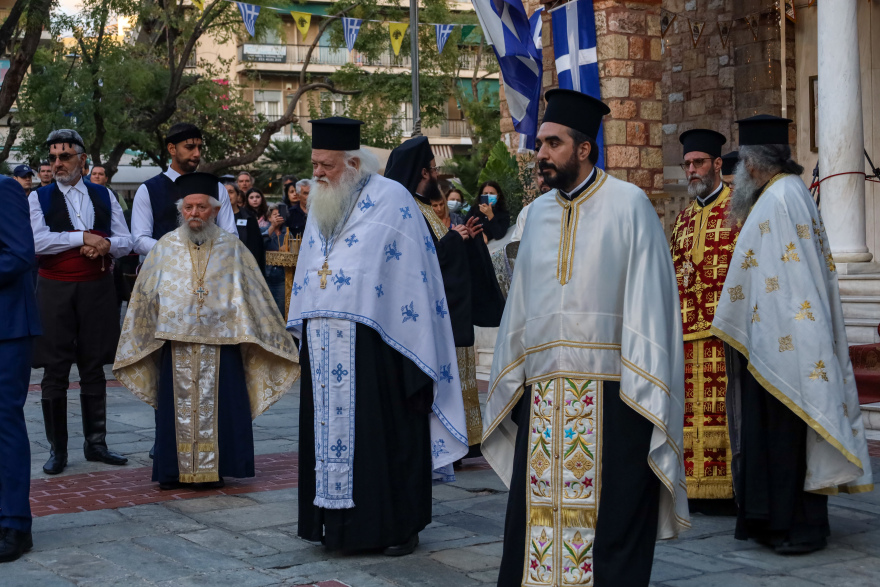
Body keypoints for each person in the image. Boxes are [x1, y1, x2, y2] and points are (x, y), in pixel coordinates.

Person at [483, 90, 689, 586]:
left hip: (616, 399)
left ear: (583, 149)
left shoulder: (629, 206)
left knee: (612, 525)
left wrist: (645, 390)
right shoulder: (535, 216)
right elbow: (521, 308)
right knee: (535, 527)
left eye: (552, 143)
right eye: (540, 143)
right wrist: (513, 381)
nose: (541, 154)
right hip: (543, 401)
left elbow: (652, 306)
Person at [288, 117, 467, 556]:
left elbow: (411, 273)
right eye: (314, 164)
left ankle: (395, 527)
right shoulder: (322, 204)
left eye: (326, 165)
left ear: (353, 163)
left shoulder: (392, 200)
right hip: (325, 342)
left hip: (381, 344)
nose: (317, 174)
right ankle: (336, 527)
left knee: (382, 436)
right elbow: (312, 268)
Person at [711, 115, 873, 554]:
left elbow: (789, 282)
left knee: (783, 439)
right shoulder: (788, 192)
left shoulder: (779, 199)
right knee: (778, 437)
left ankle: (793, 527)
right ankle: (773, 521)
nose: (739, 174)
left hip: (784, 346)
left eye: (741, 164)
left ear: (754, 163)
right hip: (781, 340)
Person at [114, 173, 299, 490]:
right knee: (173, 409)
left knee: (223, 406)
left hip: (222, 343)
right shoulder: (165, 247)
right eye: (188, 208)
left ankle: (216, 469)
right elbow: (145, 297)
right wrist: (143, 331)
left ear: (214, 210)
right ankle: (173, 471)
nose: (194, 213)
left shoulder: (232, 248)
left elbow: (254, 295)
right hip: (175, 343)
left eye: (201, 207)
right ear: (180, 211)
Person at [385, 136, 504, 455]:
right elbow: (415, 263)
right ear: (422, 172)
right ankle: (448, 440)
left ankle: (464, 437)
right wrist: (453, 240)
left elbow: (438, 255)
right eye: (434, 169)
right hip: (422, 318)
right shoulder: (405, 209)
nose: (437, 175)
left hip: (445, 313)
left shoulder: (421, 207)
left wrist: (466, 240)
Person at [29, 129, 133, 475]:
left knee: (93, 364)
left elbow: (126, 240)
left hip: (97, 289)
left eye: (65, 156)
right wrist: (82, 238)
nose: (57, 163)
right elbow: (38, 242)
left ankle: (96, 444)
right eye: (53, 158)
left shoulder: (104, 194)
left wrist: (103, 245)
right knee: (55, 368)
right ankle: (58, 450)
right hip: (54, 290)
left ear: (82, 159)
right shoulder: (38, 197)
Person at [669, 129, 741, 514]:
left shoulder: (740, 211)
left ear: (717, 164)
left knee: (724, 411)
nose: (692, 170)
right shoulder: (682, 220)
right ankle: (692, 488)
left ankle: (728, 487)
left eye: (698, 162)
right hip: (686, 336)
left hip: (725, 334)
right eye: (687, 164)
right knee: (689, 413)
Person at [0, 176, 41, 563]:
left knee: (4, 421)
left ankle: (15, 523)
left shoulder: (4, 188)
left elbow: (21, 254)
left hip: (7, 327)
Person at [130, 123, 236, 257]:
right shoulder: (148, 189)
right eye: (190, 147)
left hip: (210, 266)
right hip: (164, 267)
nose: (197, 154)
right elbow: (139, 240)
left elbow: (230, 235)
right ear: (172, 149)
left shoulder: (216, 187)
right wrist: (175, 251)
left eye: (199, 147)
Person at [223, 181, 266, 275]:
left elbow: (256, 246)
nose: (227, 195)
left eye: (231, 192)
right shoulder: (214, 218)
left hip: (245, 268)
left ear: (238, 195)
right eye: (224, 193)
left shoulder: (248, 217)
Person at [264, 203, 291, 314]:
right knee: (266, 309)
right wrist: (272, 227)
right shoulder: (263, 230)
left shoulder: (288, 233)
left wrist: (288, 248)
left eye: (280, 215)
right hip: (265, 276)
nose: (277, 217)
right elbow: (259, 243)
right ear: (269, 217)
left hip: (282, 277)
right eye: (275, 215)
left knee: (281, 310)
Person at [510, 172, 550, 244]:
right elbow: (516, 244)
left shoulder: (569, 207)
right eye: (540, 175)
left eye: (548, 174)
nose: (543, 180)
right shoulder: (527, 211)